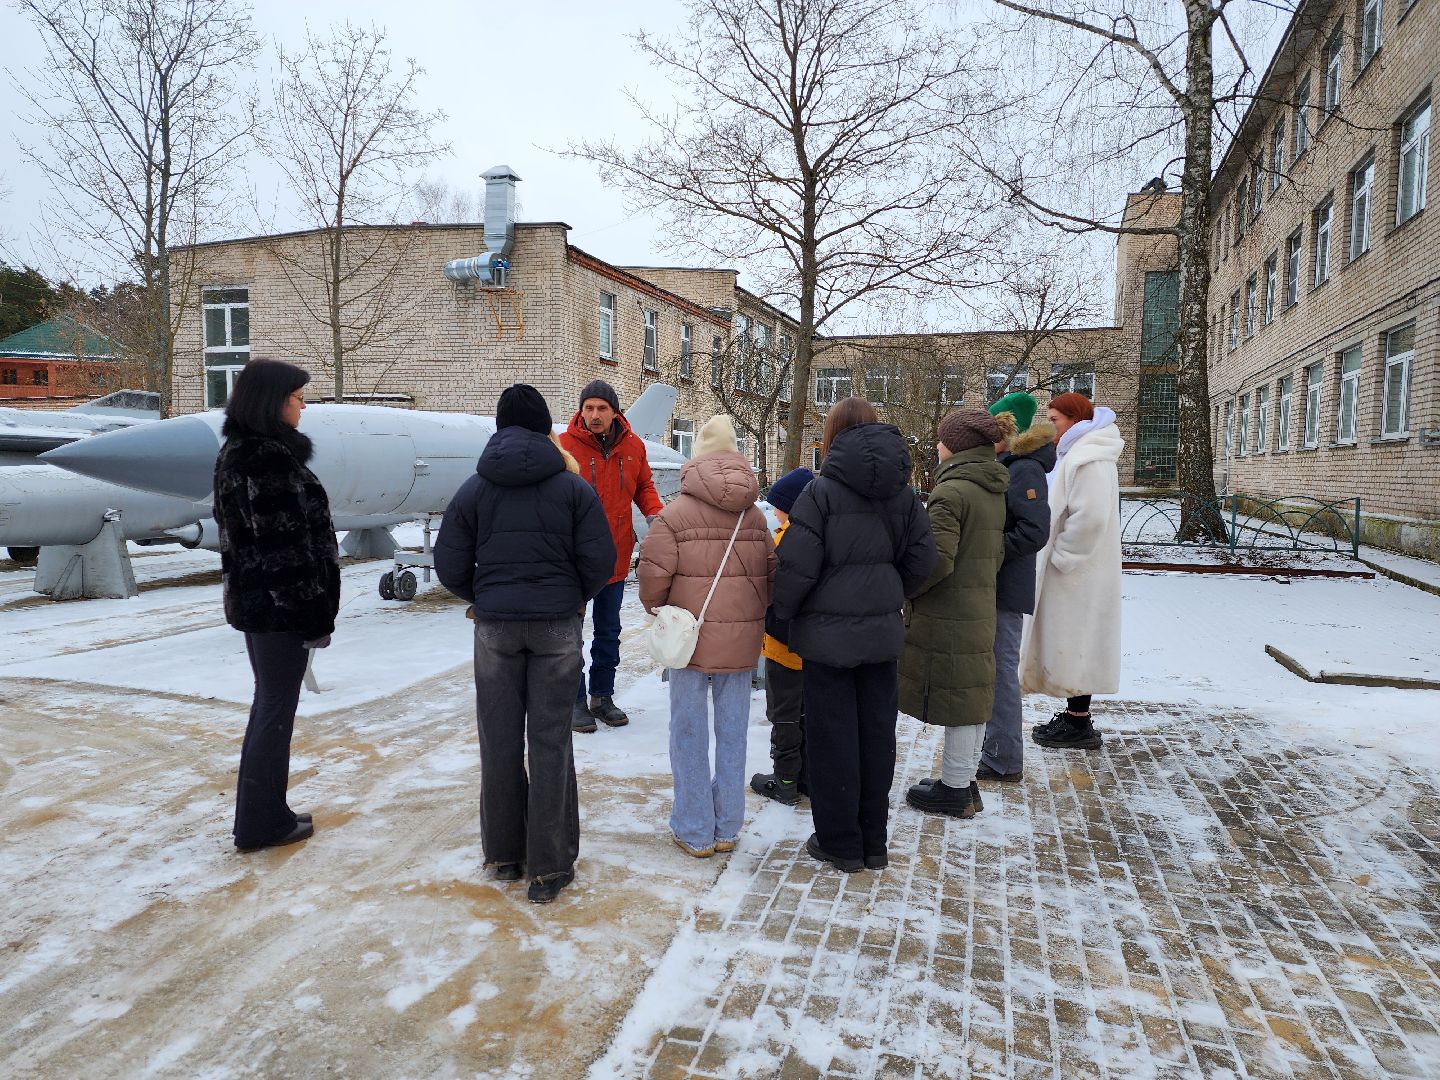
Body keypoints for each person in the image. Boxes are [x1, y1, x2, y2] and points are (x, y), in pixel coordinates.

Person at [435, 384, 615, 905]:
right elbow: (599, 562)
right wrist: (572, 598)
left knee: (498, 738)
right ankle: (551, 866)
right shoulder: (573, 489)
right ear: (544, 428)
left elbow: (449, 563)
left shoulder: (473, 488)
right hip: (557, 625)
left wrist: (484, 596)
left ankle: (505, 855)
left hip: (494, 627)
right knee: (552, 739)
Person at [772, 398, 936, 873]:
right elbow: (923, 561)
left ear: (833, 437)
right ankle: (873, 844)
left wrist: (787, 613)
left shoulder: (820, 494)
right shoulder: (905, 497)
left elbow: (797, 567)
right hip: (881, 638)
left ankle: (840, 844)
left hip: (827, 643)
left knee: (831, 740)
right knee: (877, 738)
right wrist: (887, 594)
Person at [213, 359, 339, 854]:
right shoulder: (265, 459)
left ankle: (266, 812)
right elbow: (282, 550)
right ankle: (261, 823)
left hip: (261, 607)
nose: (303, 405)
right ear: (273, 401)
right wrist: (312, 615)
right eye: (297, 396)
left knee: (271, 707)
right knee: (273, 711)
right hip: (279, 610)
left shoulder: (241, 452)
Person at [637, 415, 775, 858]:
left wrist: (657, 609)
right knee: (734, 734)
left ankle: (695, 830)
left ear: (697, 457)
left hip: (689, 642)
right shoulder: (756, 516)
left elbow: (652, 578)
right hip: (741, 644)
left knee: (688, 733)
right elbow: (771, 577)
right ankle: (728, 826)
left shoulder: (674, 514)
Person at [900, 410, 1011, 818]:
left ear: (955, 446)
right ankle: (963, 781)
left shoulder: (952, 492)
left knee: (960, 697)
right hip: (978, 602)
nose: (936, 446)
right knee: (971, 692)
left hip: (949, 610)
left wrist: (906, 589)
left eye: (940, 440)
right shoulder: (991, 487)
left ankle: (955, 788)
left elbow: (937, 560)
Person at [1020, 391, 1124, 751]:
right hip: (1078, 571)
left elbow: (1091, 516)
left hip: (1078, 572)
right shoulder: (1079, 452)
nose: (1051, 427)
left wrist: (1064, 556)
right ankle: (1075, 717)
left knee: (1079, 641)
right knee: (1076, 640)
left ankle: (1078, 724)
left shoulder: (1089, 456)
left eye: (1055, 419)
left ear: (1075, 419)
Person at [559, 378, 664, 733]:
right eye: (588, 408)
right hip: (574, 561)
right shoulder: (564, 446)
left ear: (614, 411)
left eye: (601, 408)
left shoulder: (633, 446)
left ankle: (602, 696)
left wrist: (655, 516)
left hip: (616, 556)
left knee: (609, 631)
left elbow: (644, 485)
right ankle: (574, 700)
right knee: (571, 634)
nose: (594, 414)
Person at [978, 392, 1054, 783]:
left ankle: (1004, 759)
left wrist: (987, 550)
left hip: (1006, 585)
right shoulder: (1009, 464)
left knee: (1000, 671)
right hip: (996, 582)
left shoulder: (1024, 470)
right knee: (993, 669)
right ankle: (995, 749)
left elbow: (1034, 531)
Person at [750, 467, 815, 806]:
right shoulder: (816, 536)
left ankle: (785, 779)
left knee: (783, 714)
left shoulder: (788, 540)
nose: (773, 511)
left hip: (782, 648)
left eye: (778, 505)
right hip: (809, 649)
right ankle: (805, 777)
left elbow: (774, 592)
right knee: (804, 713)